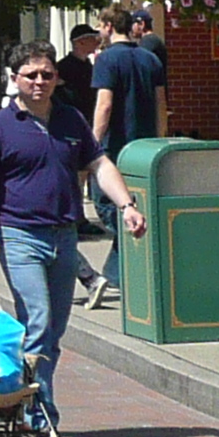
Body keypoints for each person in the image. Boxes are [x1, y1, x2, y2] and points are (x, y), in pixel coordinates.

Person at [0, 43, 146, 421]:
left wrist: (127, 205)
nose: (40, 82)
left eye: (47, 74)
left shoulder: (71, 120)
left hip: (64, 236)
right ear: (15, 79)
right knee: (39, 319)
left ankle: (14, 394)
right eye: (31, 75)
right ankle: (37, 409)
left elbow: (99, 164)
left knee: (54, 331)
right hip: (18, 235)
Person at [86, 20, 166, 309]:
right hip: (144, 147)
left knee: (109, 207)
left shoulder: (106, 60)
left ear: (109, 26)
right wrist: (160, 140)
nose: (98, 32)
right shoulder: (151, 59)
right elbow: (160, 103)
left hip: (113, 148)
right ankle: (119, 272)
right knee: (133, 206)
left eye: (99, 26)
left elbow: (104, 104)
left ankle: (116, 273)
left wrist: (92, 143)